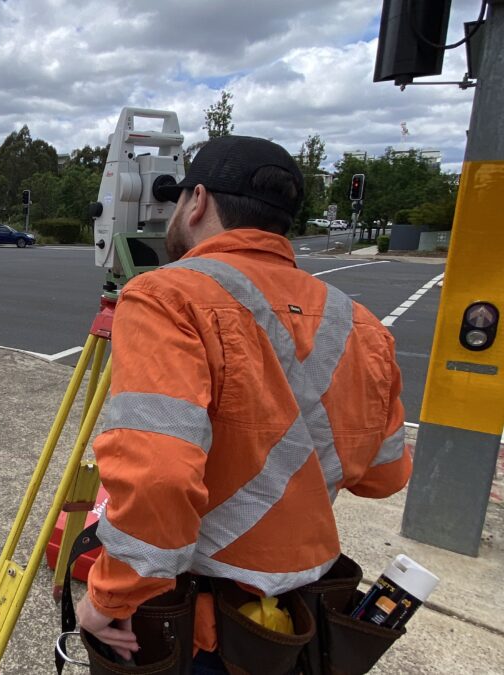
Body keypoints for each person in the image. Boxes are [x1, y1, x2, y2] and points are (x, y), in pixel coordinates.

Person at [73, 135, 412, 672]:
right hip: (298, 620)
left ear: (198, 200)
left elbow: (158, 477)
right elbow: (383, 477)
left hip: (201, 625)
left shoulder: (167, 296)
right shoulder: (362, 325)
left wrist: (108, 598)